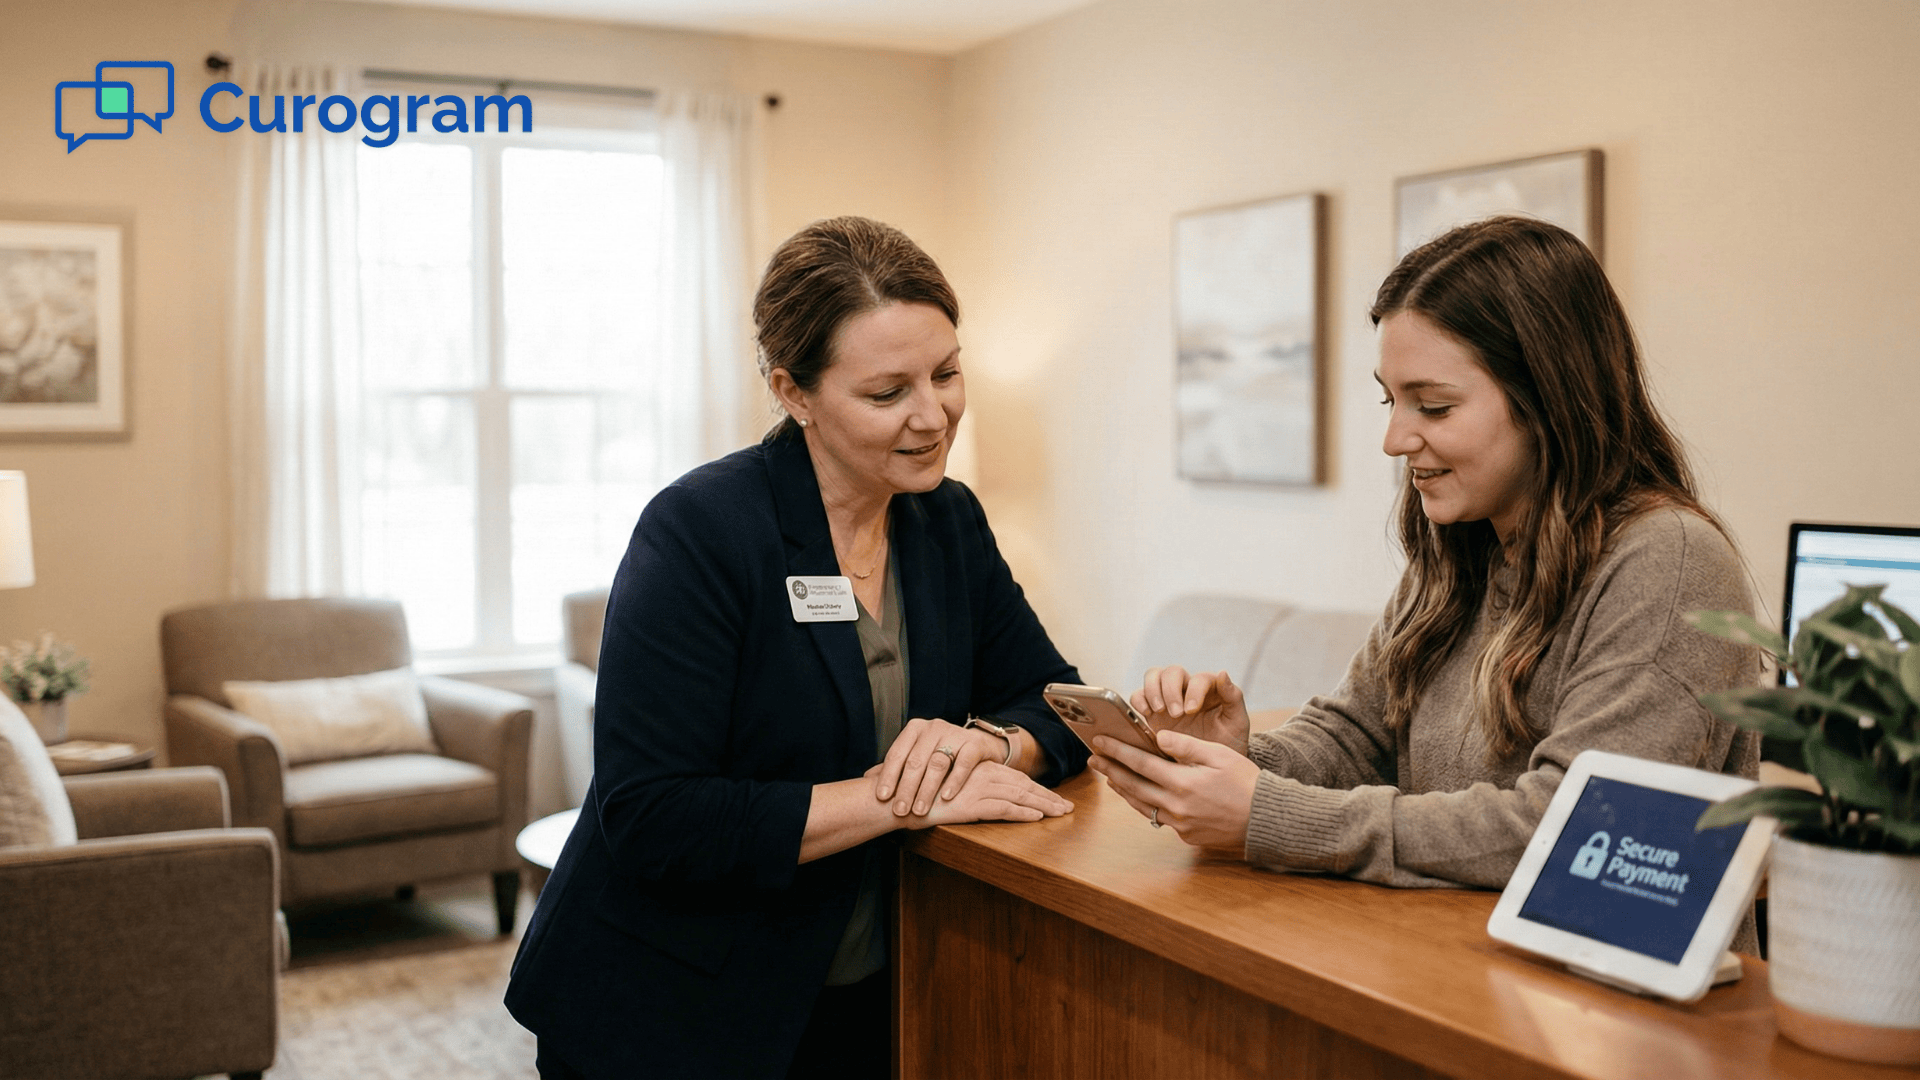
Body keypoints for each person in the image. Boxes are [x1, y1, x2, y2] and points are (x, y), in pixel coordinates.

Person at [506, 216, 1088, 1079]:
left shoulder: (946, 521)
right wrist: (904, 798)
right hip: (672, 1004)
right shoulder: (702, 531)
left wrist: (990, 743)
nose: (933, 416)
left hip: (865, 994)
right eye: (888, 392)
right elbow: (655, 815)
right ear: (794, 391)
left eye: (947, 373)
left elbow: (1058, 700)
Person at [1092, 215, 1759, 896]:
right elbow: (1357, 734)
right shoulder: (1463, 547)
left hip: (1606, 993)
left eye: (1433, 407)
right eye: (1390, 400)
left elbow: (1580, 825)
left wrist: (1268, 812)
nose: (1393, 439)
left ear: (1548, 398)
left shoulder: (1668, 562)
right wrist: (1230, 759)